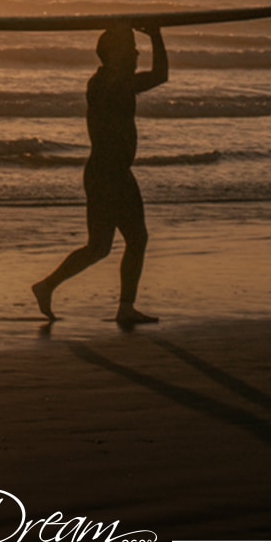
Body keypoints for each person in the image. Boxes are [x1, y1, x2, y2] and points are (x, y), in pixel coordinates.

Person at [32, 23, 168, 325]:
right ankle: (122, 307)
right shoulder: (104, 82)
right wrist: (154, 34)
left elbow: (158, 76)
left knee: (104, 246)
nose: (136, 54)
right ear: (115, 53)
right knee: (125, 241)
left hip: (110, 173)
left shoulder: (116, 80)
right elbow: (159, 76)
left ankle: (49, 286)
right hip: (108, 175)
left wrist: (141, 32)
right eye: (131, 49)